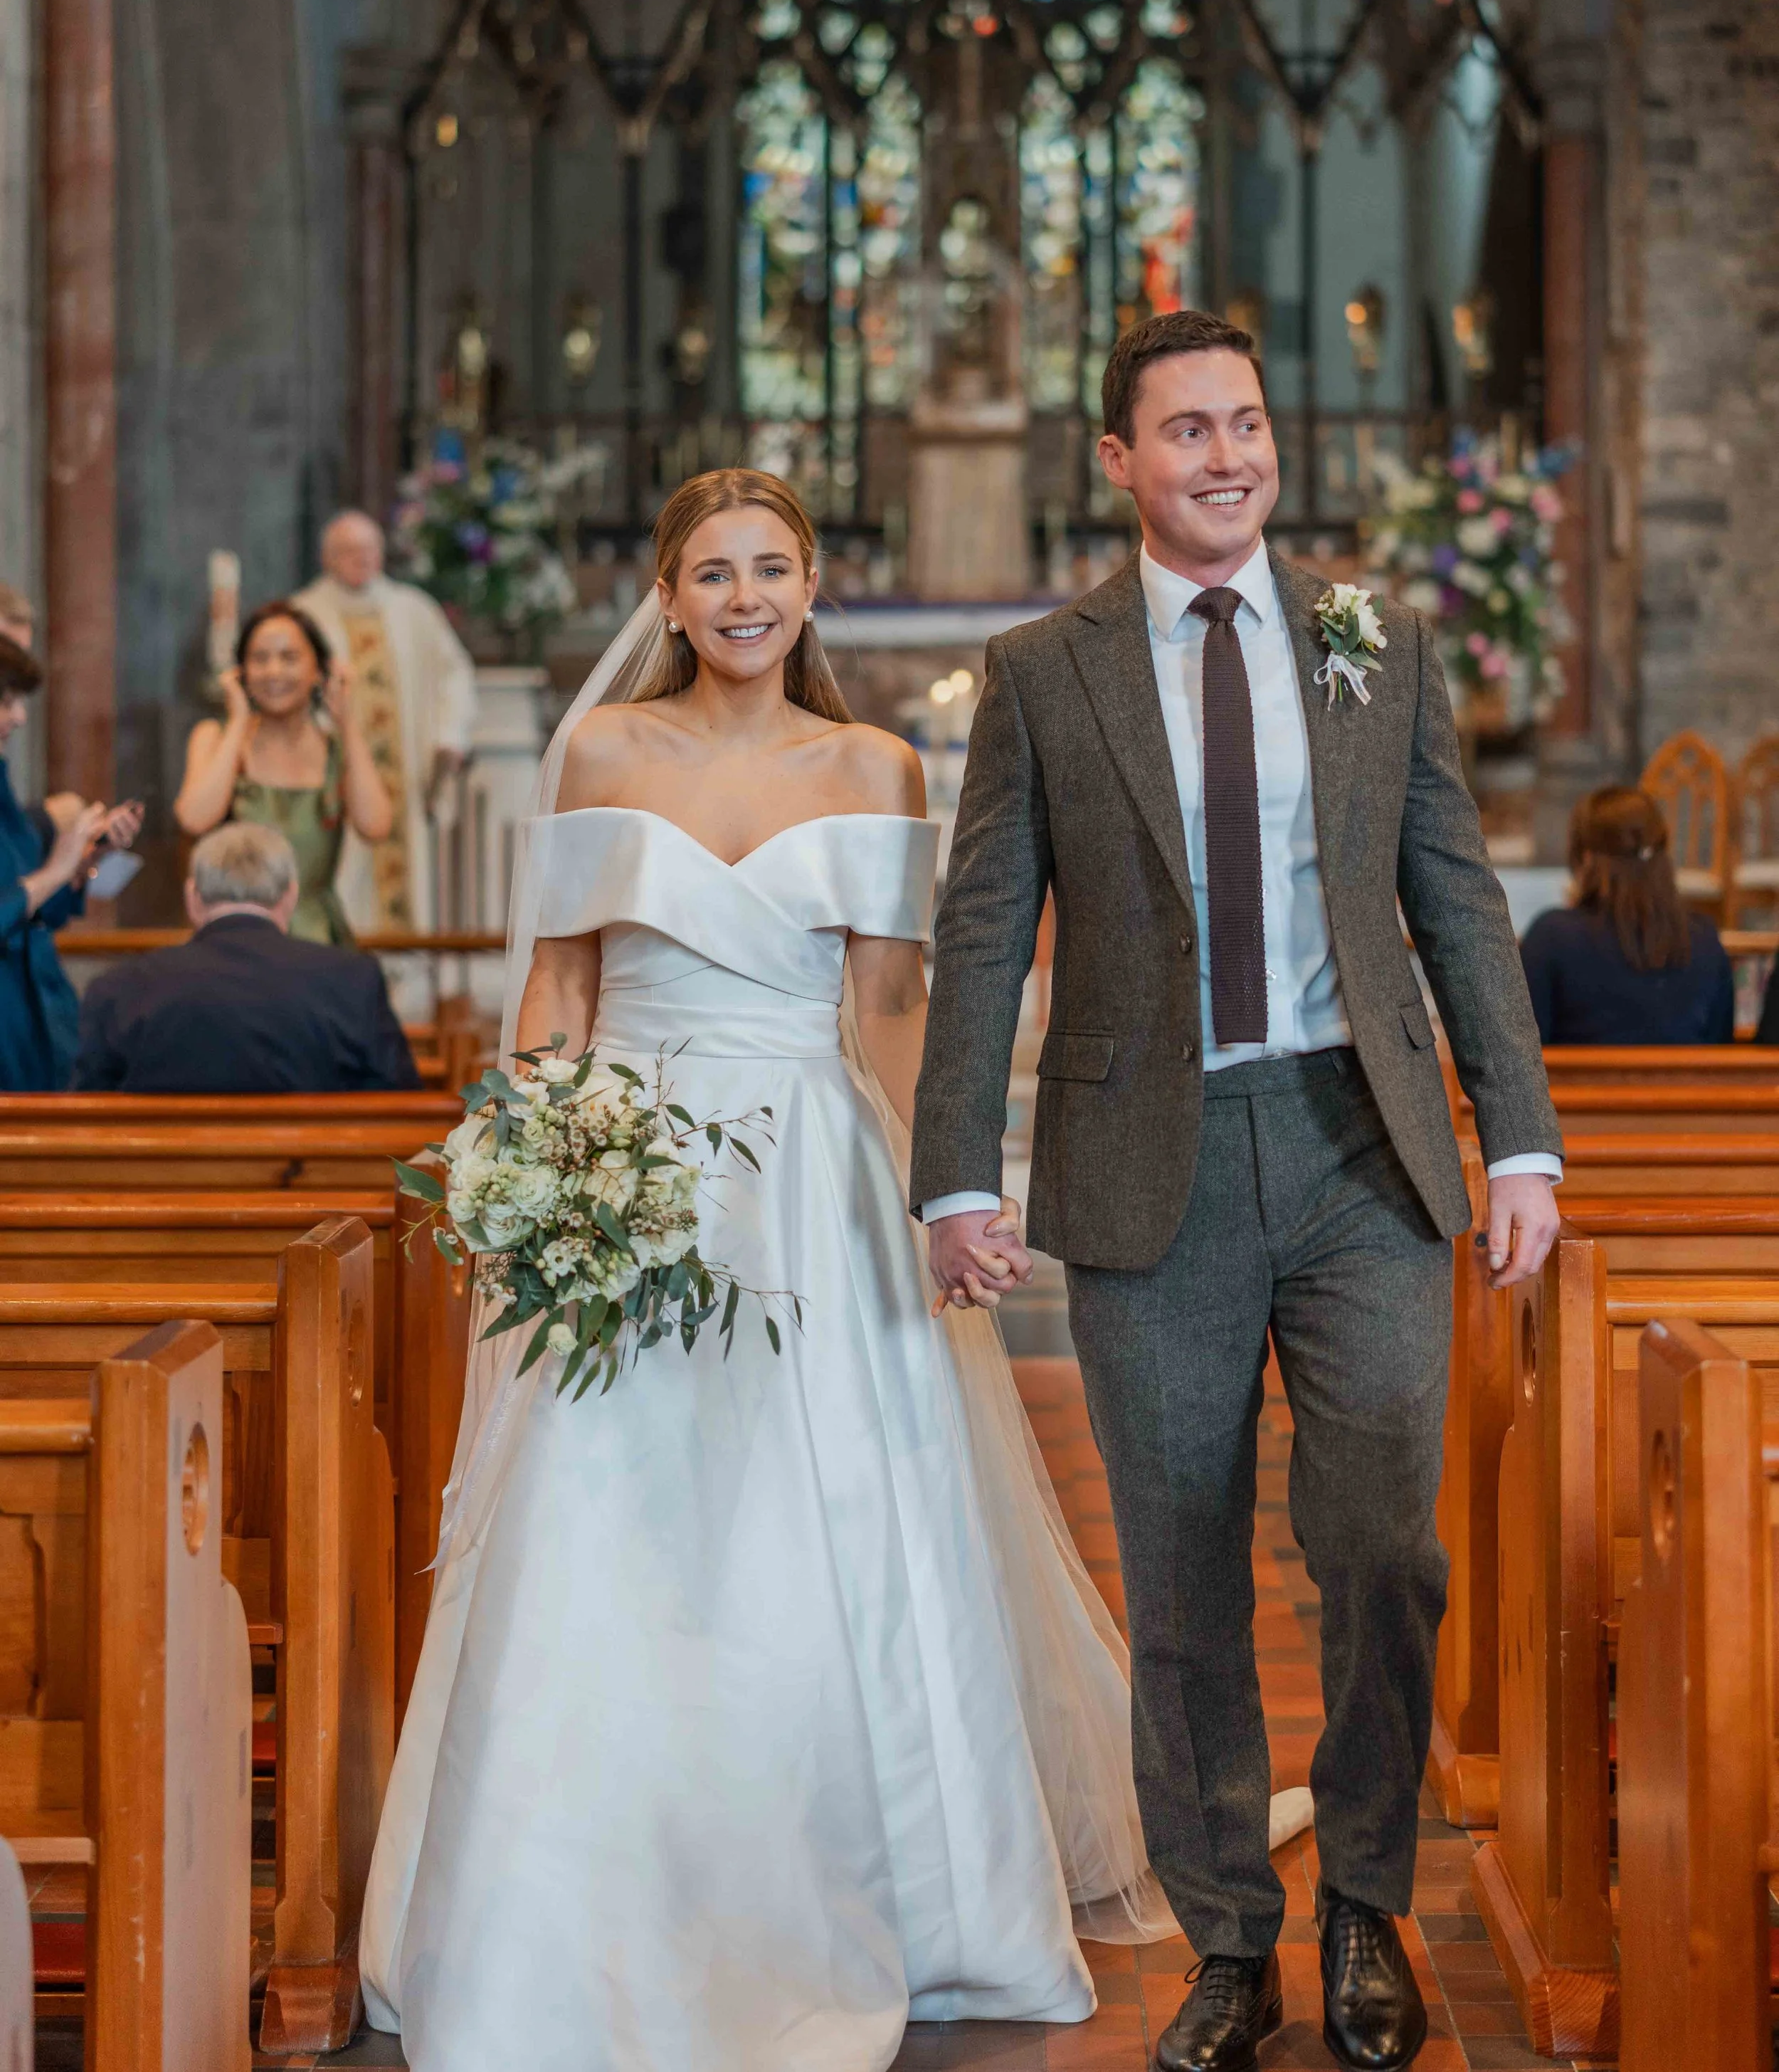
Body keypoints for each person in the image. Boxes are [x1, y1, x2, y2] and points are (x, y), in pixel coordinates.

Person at [360, 465, 1311, 2072]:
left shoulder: (875, 764)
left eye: (772, 568)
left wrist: (941, 1191)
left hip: (809, 1173)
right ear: (664, 595)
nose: (744, 596)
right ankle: (576, 1906)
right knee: (618, 1525)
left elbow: (889, 1008)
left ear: (811, 589)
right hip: (630, 1169)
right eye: (713, 570)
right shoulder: (602, 750)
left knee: (840, 1527)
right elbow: (558, 987)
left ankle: (899, 1898)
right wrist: (524, 1165)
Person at [912, 310, 1564, 2072]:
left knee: (1379, 1541)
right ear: (1118, 461)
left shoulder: (1378, 644)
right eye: (1187, 430)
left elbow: (1458, 899)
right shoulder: (1047, 670)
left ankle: (1365, 1893)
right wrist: (955, 1170)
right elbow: (981, 931)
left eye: (1247, 423)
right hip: (1150, 1164)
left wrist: (1517, 1136)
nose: (1228, 454)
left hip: (1363, 1144)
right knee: (1185, 1572)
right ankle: (1229, 1930)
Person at [75, 821, 418, 1094]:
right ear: (290, 896)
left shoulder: (119, 987)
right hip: (316, 1181)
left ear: (192, 897)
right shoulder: (352, 979)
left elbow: (87, 1104)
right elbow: (399, 1098)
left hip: (165, 1181)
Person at [295, 511, 475, 935]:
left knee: (404, 881)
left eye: (369, 549)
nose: (361, 559)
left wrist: (448, 736)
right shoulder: (304, 613)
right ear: (327, 558)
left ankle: (408, 985)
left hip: (405, 780)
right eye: (349, 551)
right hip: (333, 777)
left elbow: (454, 674)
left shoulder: (412, 609)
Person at [174, 601, 393, 945]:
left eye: (289, 658)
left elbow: (376, 825)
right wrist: (239, 721)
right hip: (236, 939)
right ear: (241, 672)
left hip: (317, 939)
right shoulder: (214, 737)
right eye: (259, 659)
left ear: (320, 671)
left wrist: (347, 723)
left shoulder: (337, 748)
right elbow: (194, 819)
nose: (274, 671)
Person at [0, 633, 142, 1090]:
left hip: (31, 1016)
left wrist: (83, 865)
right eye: (5, 702)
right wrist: (56, 869)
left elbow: (34, 911)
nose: (19, 718)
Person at [1521, 787, 1734, 1046]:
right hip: (1686, 1088)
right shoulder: (1704, 938)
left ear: (1586, 858)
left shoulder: (1551, 938)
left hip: (1576, 1088)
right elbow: (1719, 1048)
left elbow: (1522, 1055)